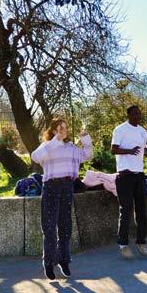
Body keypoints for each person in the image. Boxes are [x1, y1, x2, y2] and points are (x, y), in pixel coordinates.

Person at [31, 117, 93, 280]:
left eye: (65, 128)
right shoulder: (47, 146)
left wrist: (85, 139)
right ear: (53, 131)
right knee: (49, 226)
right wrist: (54, 141)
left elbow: (87, 155)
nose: (64, 131)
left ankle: (64, 260)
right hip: (51, 186)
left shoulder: (71, 147)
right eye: (60, 128)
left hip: (67, 186)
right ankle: (49, 262)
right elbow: (35, 157)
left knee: (65, 225)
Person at [111, 105, 147, 258]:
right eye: (135, 113)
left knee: (141, 210)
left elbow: (142, 152)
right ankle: (123, 244)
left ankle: (141, 242)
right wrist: (129, 151)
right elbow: (113, 149)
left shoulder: (143, 131)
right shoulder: (120, 129)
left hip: (139, 174)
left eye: (139, 113)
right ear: (128, 114)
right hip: (125, 175)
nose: (138, 116)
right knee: (125, 210)